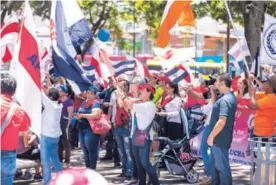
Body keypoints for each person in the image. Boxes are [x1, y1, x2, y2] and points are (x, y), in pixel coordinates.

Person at [118, 83, 160, 185]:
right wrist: (119, 90)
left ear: (149, 93)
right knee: (139, 165)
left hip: (144, 138)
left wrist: (120, 90)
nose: (140, 91)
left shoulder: (149, 105)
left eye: (143, 90)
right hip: (135, 136)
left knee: (145, 164)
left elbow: (128, 103)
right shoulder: (140, 103)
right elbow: (124, 104)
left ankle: (156, 183)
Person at [207, 73, 237, 185]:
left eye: (217, 81)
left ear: (223, 83)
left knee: (222, 169)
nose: (215, 83)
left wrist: (211, 136)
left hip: (219, 139)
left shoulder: (225, 100)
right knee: (216, 169)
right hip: (218, 139)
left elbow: (222, 121)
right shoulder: (225, 97)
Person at [1, 74, 30, 185]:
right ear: (14, 92)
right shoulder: (19, 110)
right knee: (7, 180)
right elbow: (24, 133)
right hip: (8, 151)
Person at [41, 76, 64, 185]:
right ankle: (62, 177)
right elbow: (51, 92)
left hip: (47, 136)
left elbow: (40, 93)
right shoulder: (59, 105)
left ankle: (47, 182)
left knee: (45, 161)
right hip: (56, 136)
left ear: (49, 97)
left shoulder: (49, 104)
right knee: (54, 157)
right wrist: (47, 79)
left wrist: (39, 82)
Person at [75, 86, 102, 169]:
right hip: (82, 129)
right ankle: (88, 169)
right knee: (85, 152)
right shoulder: (84, 102)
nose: (89, 95)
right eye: (88, 93)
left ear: (95, 95)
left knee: (92, 151)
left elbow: (96, 115)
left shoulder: (95, 103)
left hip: (90, 130)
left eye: (91, 94)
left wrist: (82, 115)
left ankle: (92, 169)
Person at [113, 79, 133, 180]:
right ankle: (124, 170)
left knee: (128, 151)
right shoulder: (118, 97)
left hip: (126, 128)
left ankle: (130, 172)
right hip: (118, 127)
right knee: (121, 151)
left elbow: (121, 105)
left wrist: (119, 95)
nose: (118, 88)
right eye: (118, 86)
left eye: (121, 86)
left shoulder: (129, 97)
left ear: (126, 87)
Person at [57, 85, 74, 168]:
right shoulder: (58, 100)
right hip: (58, 123)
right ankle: (59, 160)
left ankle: (67, 161)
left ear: (65, 93)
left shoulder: (69, 102)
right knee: (59, 144)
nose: (59, 92)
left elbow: (70, 116)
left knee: (66, 143)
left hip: (65, 123)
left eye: (61, 90)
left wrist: (67, 126)